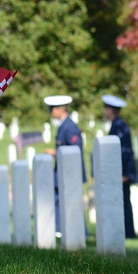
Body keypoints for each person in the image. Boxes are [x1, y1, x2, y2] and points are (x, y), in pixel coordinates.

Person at [44, 94, 85, 233]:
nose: (50, 112)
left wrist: (55, 152)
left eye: (52, 109)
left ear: (60, 109)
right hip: (63, 171)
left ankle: (75, 231)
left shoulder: (69, 127)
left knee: (71, 203)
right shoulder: (64, 126)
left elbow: (75, 150)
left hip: (70, 172)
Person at [102, 94, 138, 238]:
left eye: (107, 108)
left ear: (111, 110)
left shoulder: (119, 126)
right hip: (119, 172)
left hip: (122, 173)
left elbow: (125, 152)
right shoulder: (117, 125)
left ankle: (129, 233)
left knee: (124, 202)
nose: (105, 111)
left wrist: (125, 174)